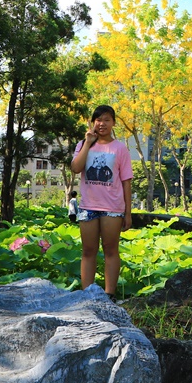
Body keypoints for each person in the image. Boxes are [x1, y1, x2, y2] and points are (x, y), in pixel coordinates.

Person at [71, 104, 133, 299]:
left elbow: (126, 182)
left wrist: (128, 213)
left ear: (113, 123)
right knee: (88, 251)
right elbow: (75, 168)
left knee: (111, 250)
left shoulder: (120, 148)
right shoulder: (83, 145)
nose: (102, 123)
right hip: (88, 206)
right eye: (98, 120)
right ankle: (87, 295)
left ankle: (109, 294)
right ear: (92, 122)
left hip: (112, 208)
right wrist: (88, 143)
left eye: (107, 120)